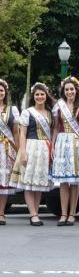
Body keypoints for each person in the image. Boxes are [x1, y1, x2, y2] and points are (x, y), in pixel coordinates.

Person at [10, 82, 54, 226]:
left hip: (44, 149)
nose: (40, 97)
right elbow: (22, 133)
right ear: (33, 96)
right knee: (29, 182)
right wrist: (22, 152)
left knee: (39, 182)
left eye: (42, 94)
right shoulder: (27, 112)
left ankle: (36, 212)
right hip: (30, 146)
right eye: (37, 94)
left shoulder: (50, 112)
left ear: (46, 96)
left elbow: (53, 132)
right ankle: (33, 214)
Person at [51, 76, 79, 226]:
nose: (69, 92)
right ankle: (63, 213)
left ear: (76, 90)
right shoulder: (58, 106)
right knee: (64, 182)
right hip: (62, 142)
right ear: (63, 91)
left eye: (72, 89)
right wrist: (52, 145)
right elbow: (55, 128)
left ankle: (72, 214)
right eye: (67, 89)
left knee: (75, 182)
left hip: (77, 144)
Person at [0, 79, 19, 226]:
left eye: (1, 91)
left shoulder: (12, 110)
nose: (0, 93)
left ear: (5, 93)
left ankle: (1, 213)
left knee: (3, 182)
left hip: (6, 149)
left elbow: (15, 133)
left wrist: (18, 150)